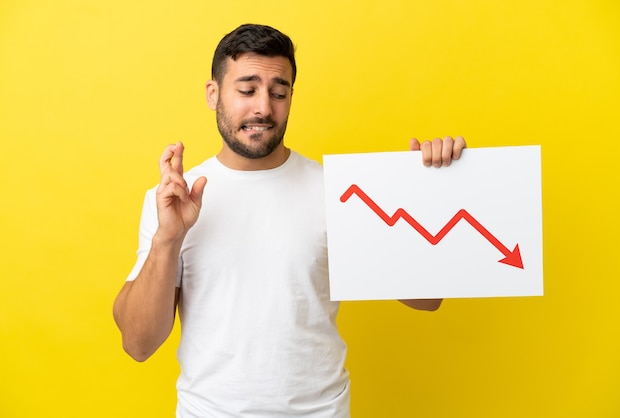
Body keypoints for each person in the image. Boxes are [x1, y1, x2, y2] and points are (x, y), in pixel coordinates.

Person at [113, 23, 466, 417]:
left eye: (278, 92)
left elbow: (427, 298)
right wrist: (168, 238)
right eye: (247, 90)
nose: (263, 107)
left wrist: (427, 193)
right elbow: (138, 343)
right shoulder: (171, 201)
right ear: (214, 94)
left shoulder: (336, 191)